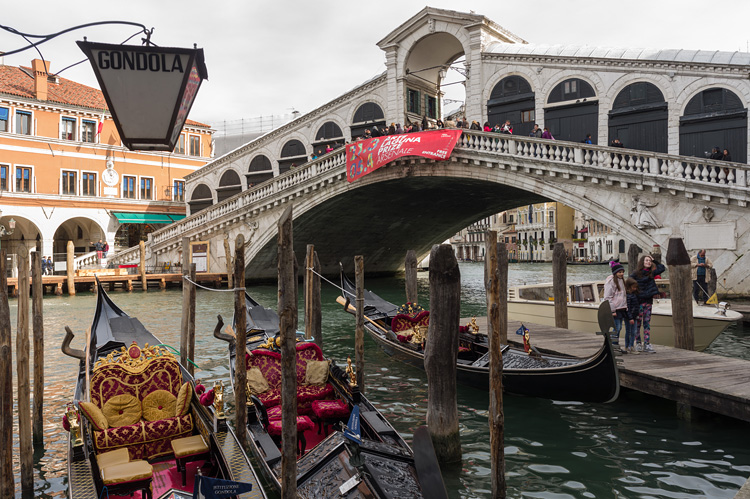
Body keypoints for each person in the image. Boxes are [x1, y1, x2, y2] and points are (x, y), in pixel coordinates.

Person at [629, 253, 666, 353]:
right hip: (638, 302)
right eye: (646, 260)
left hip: (648, 302)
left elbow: (662, 268)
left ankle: (647, 344)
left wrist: (654, 261)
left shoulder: (651, 273)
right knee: (637, 324)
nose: (648, 262)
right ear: (642, 262)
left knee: (647, 324)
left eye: (649, 261)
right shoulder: (635, 274)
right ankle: (638, 344)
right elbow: (629, 283)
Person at [603, 261, 627, 351]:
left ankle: (615, 344)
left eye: (623, 272)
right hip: (615, 309)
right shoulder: (610, 282)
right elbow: (608, 297)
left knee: (619, 327)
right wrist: (612, 310)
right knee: (617, 327)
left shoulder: (621, 281)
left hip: (621, 308)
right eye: (620, 272)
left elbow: (623, 295)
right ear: (615, 272)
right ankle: (613, 345)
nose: (622, 274)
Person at [624, 278, 640, 354]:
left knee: (634, 332)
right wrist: (630, 317)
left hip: (634, 316)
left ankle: (631, 346)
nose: (635, 289)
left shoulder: (634, 294)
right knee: (629, 331)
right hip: (629, 317)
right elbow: (628, 308)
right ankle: (628, 346)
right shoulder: (628, 296)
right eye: (633, 287)